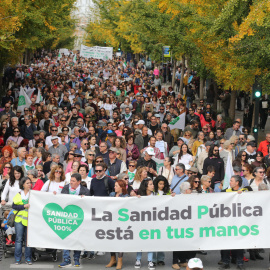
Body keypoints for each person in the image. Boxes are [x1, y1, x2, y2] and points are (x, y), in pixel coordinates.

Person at [220, 175, 252, 270]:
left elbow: (250, 192)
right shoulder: (225, 192)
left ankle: (239, 262)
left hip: (239, 222)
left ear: (237, 183)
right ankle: (225, 262)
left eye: (231, 180)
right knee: (225, 242)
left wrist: (242, 193)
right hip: (227, 222)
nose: (229, 182)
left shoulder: (245, 191)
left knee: (239, 242)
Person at [59, 173, 90, 268]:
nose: (70, 183)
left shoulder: (86, 191)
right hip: (67, 218)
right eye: (70, 180)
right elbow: (62, 200)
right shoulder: (65, 188)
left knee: (77, 239)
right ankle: (66, 260)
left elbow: (88, 204)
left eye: (73, 181)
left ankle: (76, 260)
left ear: (79, 182)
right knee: (66, 238)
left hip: (79, 219)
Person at [106, 180, 129, 269]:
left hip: (121, 221)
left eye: (116, 186)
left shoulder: (126, 196)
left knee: (120, 241)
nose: (114, 187)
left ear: (121, 187)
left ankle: (120, 261)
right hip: (112, 220)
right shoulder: (112, 194)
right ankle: (113, 259)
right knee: (111, 239)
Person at [135, 178, 155, 270]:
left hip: (152, 222)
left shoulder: (156, 195)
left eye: (152, 184)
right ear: (146, 186)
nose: (153, 186)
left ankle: (150, 260)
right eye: (150, 184)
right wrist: (136, 198)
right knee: (140, 242)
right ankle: (138, 259)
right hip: (141, 222)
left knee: (150, 242)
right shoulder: (139, 196)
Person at [12, 177, 32, 265]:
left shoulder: (33, 194)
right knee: (19, 239)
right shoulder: (19, 194)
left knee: (28, 240)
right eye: (27, 183)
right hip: (19, 220)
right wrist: (24, 206)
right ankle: (17, 259)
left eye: (30, 183)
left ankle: (28, 258)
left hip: (30, 220)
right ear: (23, 184)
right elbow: (14, 206)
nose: (29, 184)